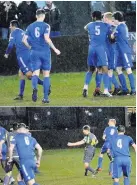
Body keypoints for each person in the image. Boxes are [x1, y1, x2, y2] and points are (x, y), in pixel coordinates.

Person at [23, 9, 61, 103]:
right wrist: (55, 49)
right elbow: (47, 39)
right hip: (45, 52)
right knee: (46, 75)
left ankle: (35, 89)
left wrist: (30, 47)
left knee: (35, 73)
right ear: (44, 16)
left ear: (36, 16)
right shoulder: (46, 26)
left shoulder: (30, 26)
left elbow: (23, 40)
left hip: (34, 52)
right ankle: (45, 98)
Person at [4, 20, 43, 100]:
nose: (9, 27)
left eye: (10, 26)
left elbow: (10, 45)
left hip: (22, 56)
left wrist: (7, 53)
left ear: (13, 26)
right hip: (30, 54)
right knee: (21, 74)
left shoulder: (13, 33)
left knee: (29, 75)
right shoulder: (23, 31)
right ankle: (20, 95)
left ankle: (42, 85)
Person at [82, 11, 112, 98]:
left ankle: (85, 87)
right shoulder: (106, 25)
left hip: (91, 49)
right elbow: (110, 37)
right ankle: (106, 90)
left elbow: (85, 27)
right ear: (101, 17)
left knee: (91, 69)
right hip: (101, 49)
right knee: (105, 69)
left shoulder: (90, 25)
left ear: (94, 17)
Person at [111, 11, 136, 95]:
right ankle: (125, 89)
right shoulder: (122, 26)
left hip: (124, 51)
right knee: (118, 69)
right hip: (119, 51)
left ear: (117, 19)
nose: (113, 20)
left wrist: (112, 33)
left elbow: (112, 36)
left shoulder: (120, 27)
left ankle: (133, 90)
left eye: (113, 19)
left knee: (128, 69)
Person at [102, 12, 121, 95]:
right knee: (108, 69)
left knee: (109, 70)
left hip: (112, 51)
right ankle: (113, 87)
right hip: (107, 50)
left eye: (103, 18)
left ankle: (111, 88)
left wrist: (111, 36)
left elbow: (113, 40)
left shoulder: (113, 28)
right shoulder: (107, 27)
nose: (102, 19)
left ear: (106, 18)